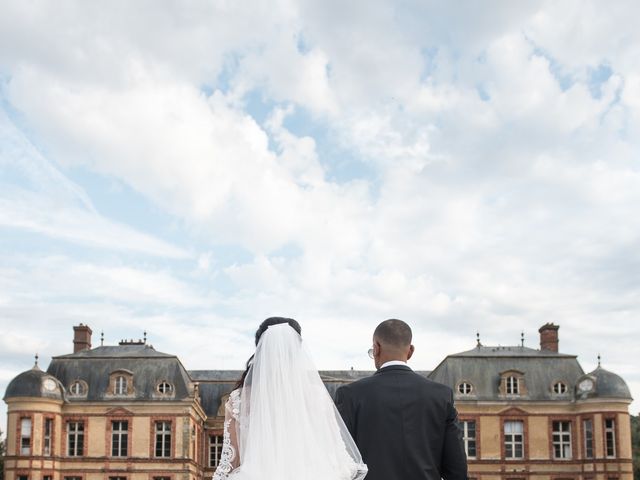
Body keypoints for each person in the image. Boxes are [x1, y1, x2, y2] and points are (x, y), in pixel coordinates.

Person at [213, 317, 367, 480]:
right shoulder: (317, 396)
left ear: (260, 350)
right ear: (298, 350)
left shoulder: (239, 399)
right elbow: (336, 454)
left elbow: (231, 460)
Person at [335, 319, 468, 480]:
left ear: (376, 348)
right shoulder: (442, 396)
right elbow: (457, 470)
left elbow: (339, 461)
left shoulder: (349, 395)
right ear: (410, 351)